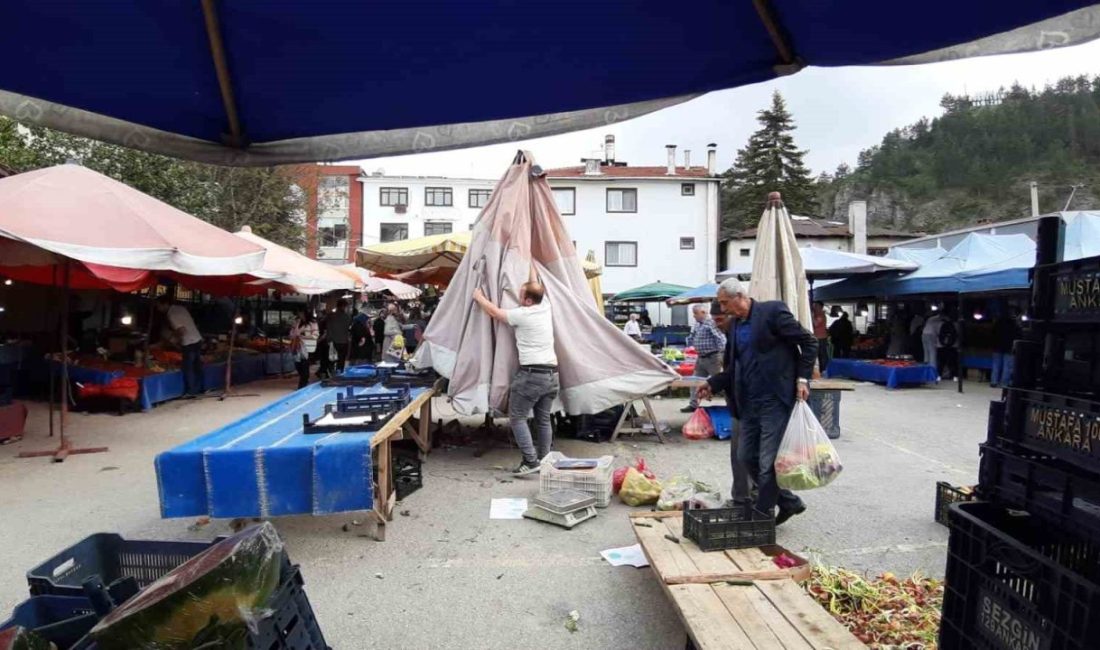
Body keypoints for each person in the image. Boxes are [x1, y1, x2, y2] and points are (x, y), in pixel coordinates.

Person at [696, 278, 817, 525]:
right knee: (746, 456)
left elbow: (809, 341)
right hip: (748, 402)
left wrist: (803, 379)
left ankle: (762, 518)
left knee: (767, 462)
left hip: (774, 399)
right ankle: (788, 501)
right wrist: (713, 383)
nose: (722, 308)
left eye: (724, 302)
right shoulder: (736, 326)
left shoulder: (772, 312)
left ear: (739, 296)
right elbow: (734, 368)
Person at [473, 281, 558, 476]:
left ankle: (530, 460)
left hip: (532, 375)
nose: (517, 299)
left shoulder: (523, 314)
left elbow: (495, 313)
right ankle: (544, 460)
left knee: (517, 417)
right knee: (543, 420)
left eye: (520, 296)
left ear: (528, 301)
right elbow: (534, 282)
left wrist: (479, 298)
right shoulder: (546, 307)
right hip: (553, 375)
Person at [682, 303, 727, 413]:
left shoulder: (711, 323)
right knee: (694, 381)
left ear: (703, 313)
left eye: (695, 313)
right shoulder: (697, 324)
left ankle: (731, 403)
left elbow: (721, 339)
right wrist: (688, 344)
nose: (693, 316)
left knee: (722, 382)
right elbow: (692, 337)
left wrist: (723, 355)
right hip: (701, 358)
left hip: (713, 358)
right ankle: (693, 404)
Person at [156, 296, 204, 398]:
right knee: (197, 366)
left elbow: (182, 330)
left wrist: (172, 339)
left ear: (164, 304)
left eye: (158, 306)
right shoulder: (181, 308)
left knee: (188, 367)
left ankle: (190, 391)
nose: (158, 309)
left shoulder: (171, 314)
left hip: (189, 342)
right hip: (197, 338)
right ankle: (199, 389)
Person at [289, 309, 319, 389]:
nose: (300, 314)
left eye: (301, 313)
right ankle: (304, 381)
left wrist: (305, 336)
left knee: (304, 365)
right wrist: (294, 335)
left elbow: (315, 335)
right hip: (298, 346)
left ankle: (302, 385)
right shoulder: (297, 322)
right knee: (298, 365)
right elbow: (292, 332)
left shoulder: (313, 323)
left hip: (308, 347)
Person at [991, 308, 1020, 388]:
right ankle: (1004, 383)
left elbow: (993, 333)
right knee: (1007, 366)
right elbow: (1018, 335)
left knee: (996, 365)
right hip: (1009, 347)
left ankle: (994, 381)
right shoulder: (1014, 325)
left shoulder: (998, 323)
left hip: (997, 346)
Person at [326, 299, 352, 373]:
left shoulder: (331, 316)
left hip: (333, 341)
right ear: (343, 306)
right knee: (341, 359)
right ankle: (339, 372)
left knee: (332, 358)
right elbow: (348, 327)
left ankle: (331, 372)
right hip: (343, 341)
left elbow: (329, 328)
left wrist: (329, 340)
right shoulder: (347, 317)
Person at [921, 310, 944, 377]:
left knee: (926, 353)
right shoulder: (941, 320)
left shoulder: (931, 318)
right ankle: (932, 373)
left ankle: (925, 372)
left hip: (924, 334)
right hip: (931, 335)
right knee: (932, 353)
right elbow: (940, 332)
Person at [812, 301, 830, 373]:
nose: (814, 307)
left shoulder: (821, 315)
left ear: (820, 307)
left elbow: (816, 323)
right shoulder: (817, 314)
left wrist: (812, 316)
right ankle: (820, 370)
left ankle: (824, 370)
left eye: (816, 306)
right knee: (819, 355)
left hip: (821, 337)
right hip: (817, 337)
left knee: (822, 354)